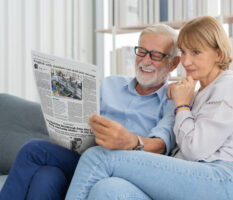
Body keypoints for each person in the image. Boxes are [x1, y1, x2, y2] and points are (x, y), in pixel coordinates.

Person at [65, 16, 233, 200]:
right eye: (184, 52)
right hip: (190, 179)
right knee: (108, 189)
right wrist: (183, 100)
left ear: (218, 53)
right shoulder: (199, 91)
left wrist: (182, 105)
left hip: (222, 180)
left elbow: (195, 150)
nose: (186, 61)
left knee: (98, 157)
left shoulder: (229, 86)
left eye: (196, 52)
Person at [0, 24, 180, 200]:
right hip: (86, 159)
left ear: (173, 64)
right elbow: (84, 117)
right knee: (47, 177)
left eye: (155, 55)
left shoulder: (172, 98)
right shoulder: (111, 84)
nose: (145, 61)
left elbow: (161, 144)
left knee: (33, 149)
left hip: (122, 170)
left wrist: (131, 141)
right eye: (141, 52)